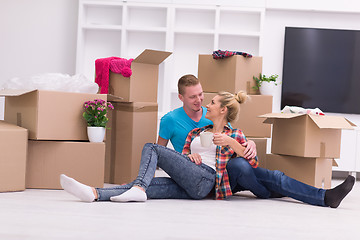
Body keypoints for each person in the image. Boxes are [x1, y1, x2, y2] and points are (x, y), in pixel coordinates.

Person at [60, 91, 258, 202]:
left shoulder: (235, 134)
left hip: (207, 181)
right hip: (190, 182)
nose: (207, 104)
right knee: (147, 187)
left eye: (213, 103)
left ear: (223, 110)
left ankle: (137, 187)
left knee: (152, 147)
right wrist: (189, 157)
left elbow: (252, 164)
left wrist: (232, 143)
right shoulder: (196, 133)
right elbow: (183, 157)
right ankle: (94, 193)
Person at [157, 74, 257, 157]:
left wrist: (250, 142)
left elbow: (232, 136)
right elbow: (159, 154)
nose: (198, 100)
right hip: (187, 170)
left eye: (200, 94)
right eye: (192, 97)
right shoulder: (170, 120)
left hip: (215, 169)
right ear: (181, 97)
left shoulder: (213, 114)